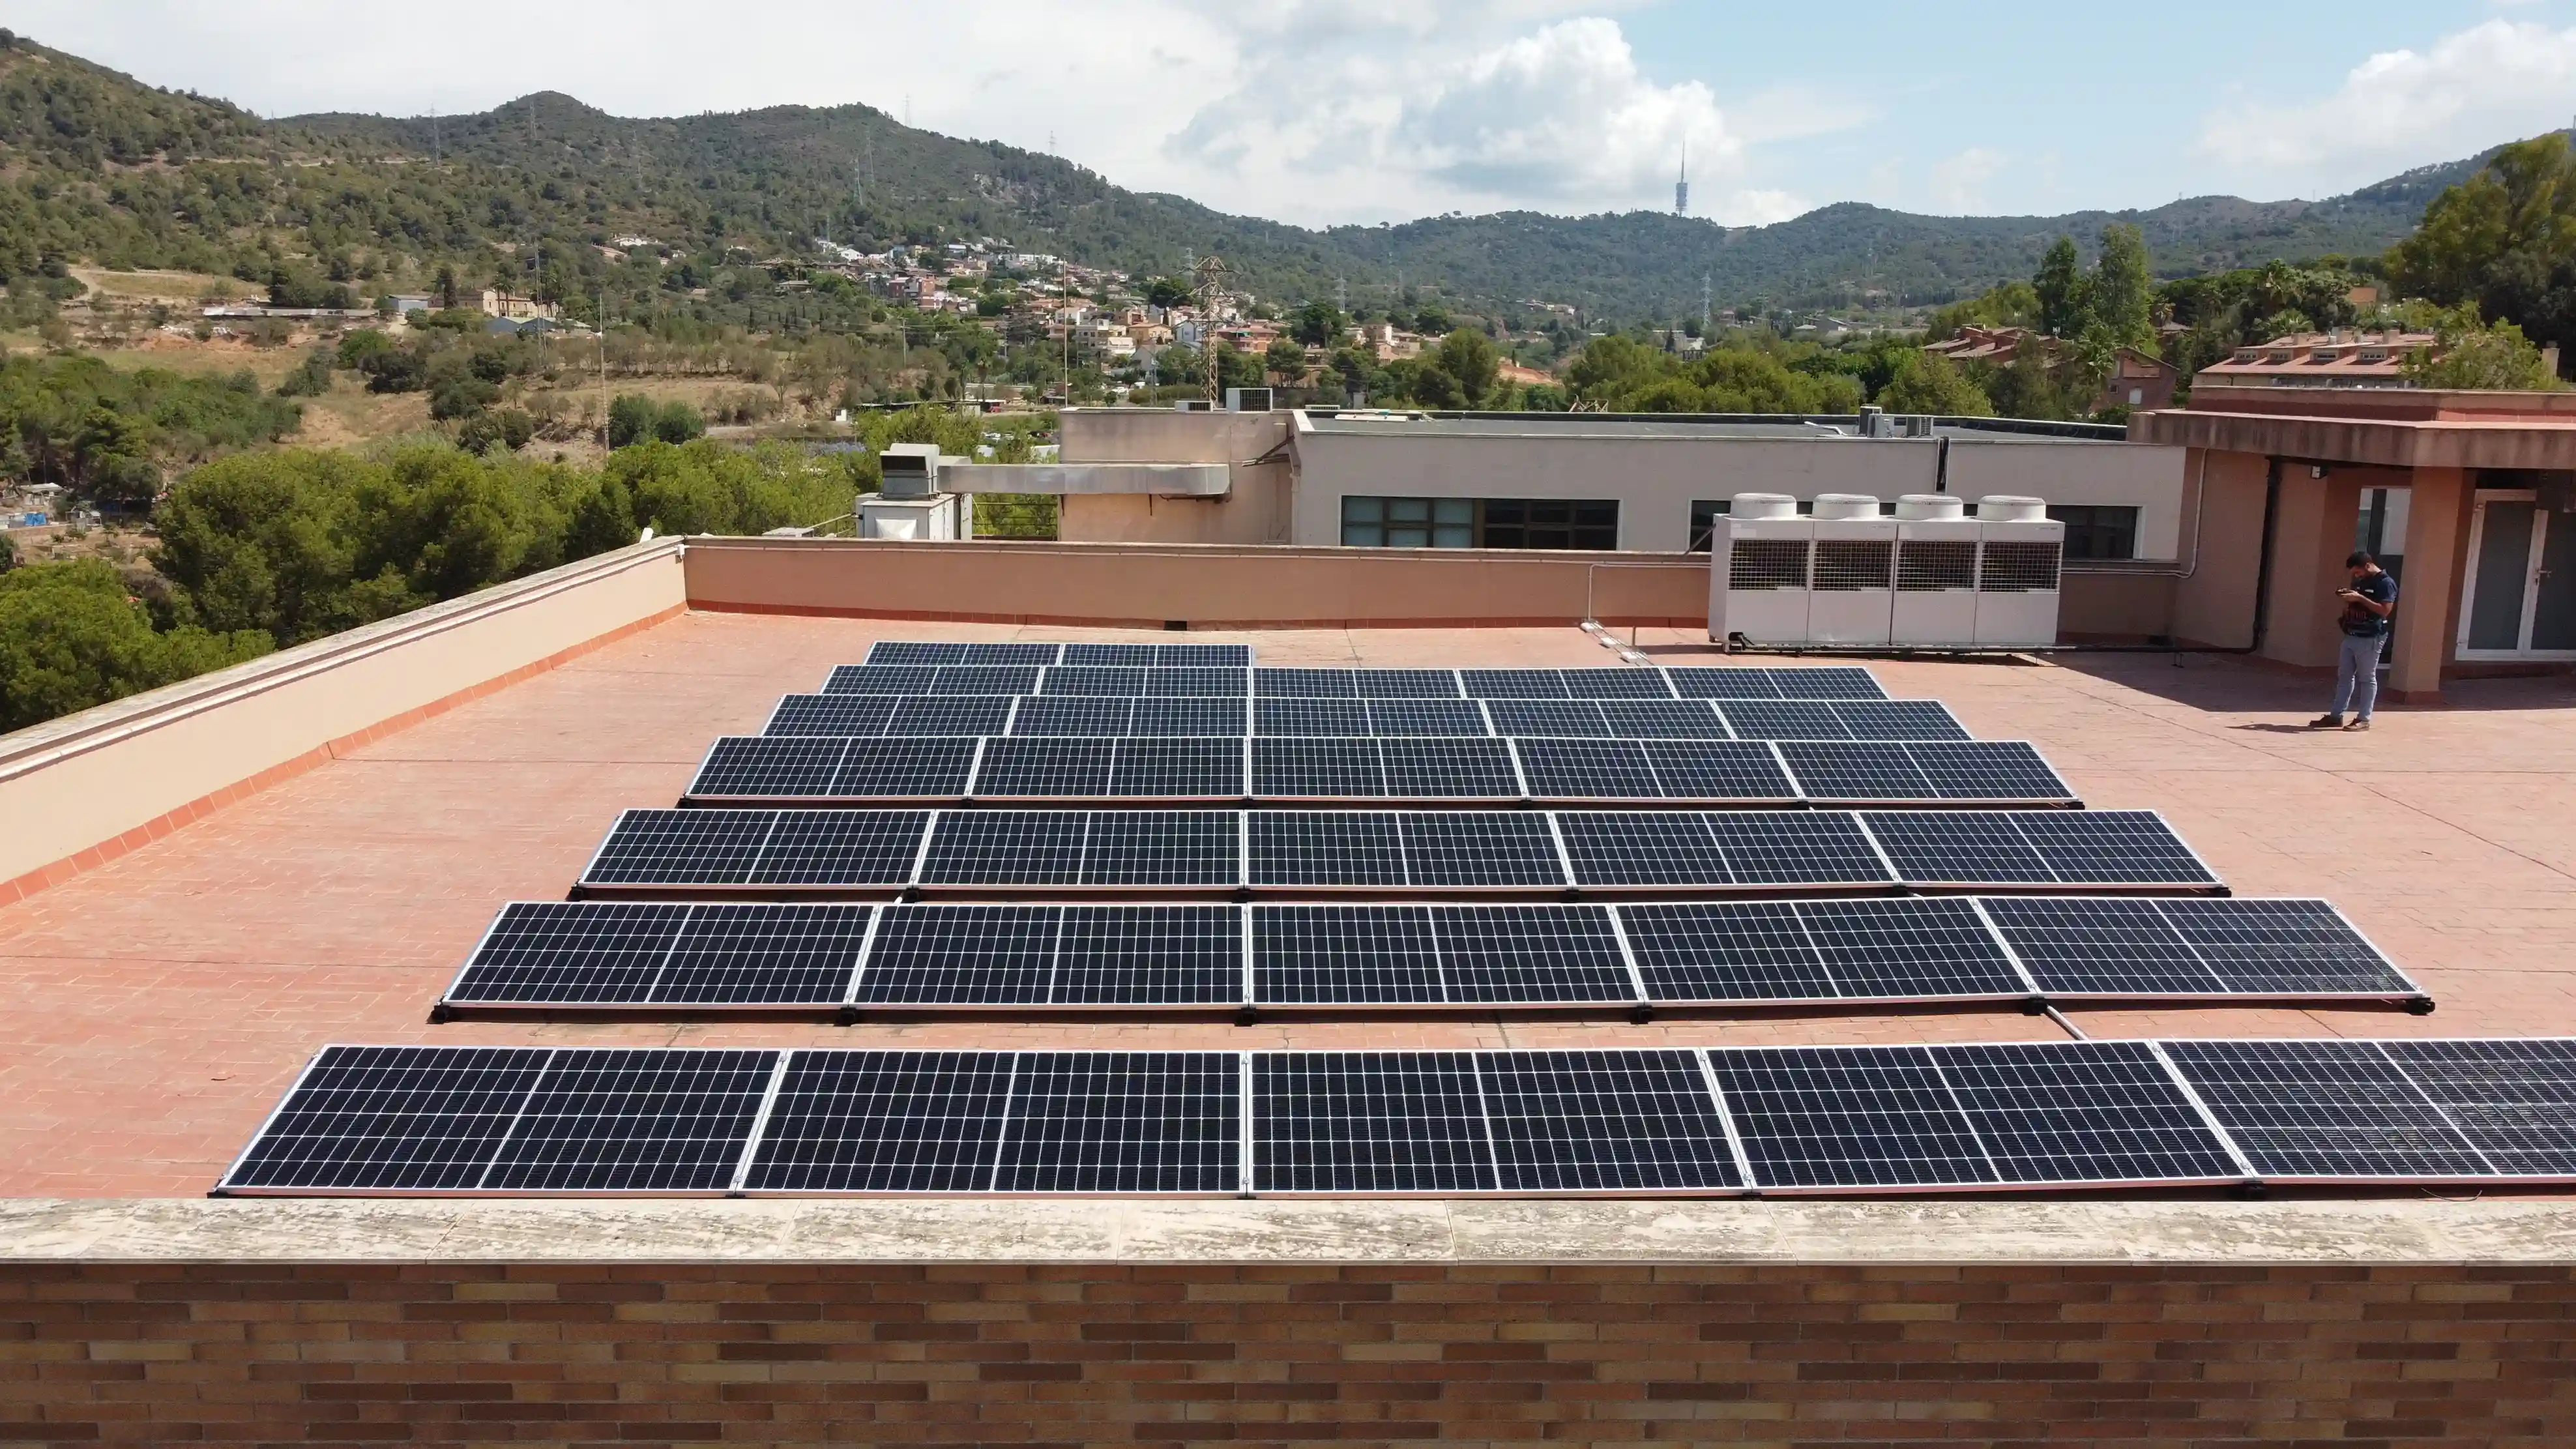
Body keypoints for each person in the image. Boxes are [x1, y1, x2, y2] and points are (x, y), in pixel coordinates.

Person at [2313, 550, 2397, 731]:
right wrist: (2349, 598)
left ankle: (2364, 718)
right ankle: (2336, 716)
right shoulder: (2363, 582)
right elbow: (2359, 601)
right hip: (2352, 633)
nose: (2357, 576)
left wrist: (2360, 598)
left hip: (2371, 636)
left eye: (2358, 572)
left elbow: (2385, 610)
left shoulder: (2386, 583)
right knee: (2344, 676)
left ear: (2368, 566)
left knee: (2367, 678)